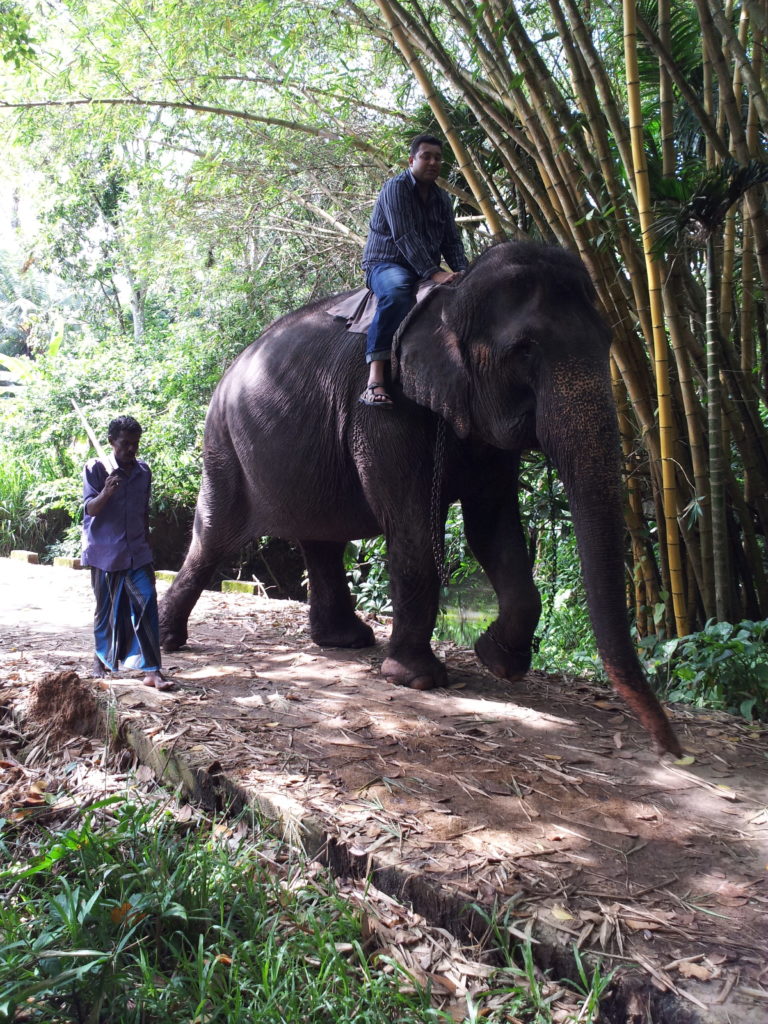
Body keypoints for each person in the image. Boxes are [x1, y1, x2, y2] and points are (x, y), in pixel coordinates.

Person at [360, 133, 469, 407]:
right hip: (387, 264)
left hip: (423, 268)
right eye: (426, 156)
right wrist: (435, 273)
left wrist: (466, 273)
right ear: (412, 160)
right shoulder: (395, 188)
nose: (433, 162)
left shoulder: (442, 198)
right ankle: (374, 380)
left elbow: (451, 241)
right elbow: (404, 236)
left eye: (438, 158)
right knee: (397, 293)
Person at [81, 415, 171, 690]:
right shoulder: (96, 468)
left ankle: (153, 671)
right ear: (111, 442)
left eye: (135, 443)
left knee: (147, 604)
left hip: (137, 551)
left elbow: (143, 512)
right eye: (125, 443)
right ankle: (102, 662)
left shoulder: (143, 471)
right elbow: (89, 509)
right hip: (105, 552)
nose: (131, 449)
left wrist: (148, 546)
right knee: (107, 610)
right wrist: (107, 491)